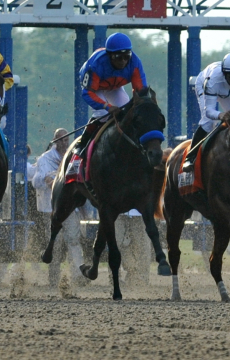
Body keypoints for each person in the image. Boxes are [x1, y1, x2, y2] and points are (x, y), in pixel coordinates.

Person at [72, 32, 147, 157]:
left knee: (127, 112)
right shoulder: (96, 65)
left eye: (126, 56)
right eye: (118, 57)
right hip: (93, 87)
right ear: (110, 55)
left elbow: (141, 92)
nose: (123, 61)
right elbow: (87, 93)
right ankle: (82, 144)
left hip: (114, 87)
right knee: (103, 114)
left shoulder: (135, 63)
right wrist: (107, 106)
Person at [183, 52, 230, 172]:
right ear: (225, 74)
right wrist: (220, 115)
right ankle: (190, 157)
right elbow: (209, 111)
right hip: (204, 84)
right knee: (208, 122)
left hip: (227, 92)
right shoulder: (214, 80)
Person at [31, 128, 84, 288]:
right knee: (55, 242)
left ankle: (78, 275)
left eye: (66, 140)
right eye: (61, 140)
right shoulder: (45, 159)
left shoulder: (74, 157)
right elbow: (38, 180)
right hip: (52, 208)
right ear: (55, 141)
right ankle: (54, 277)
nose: (64, 143)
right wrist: (48, 179)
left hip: (70, 208)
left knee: (74, 240)